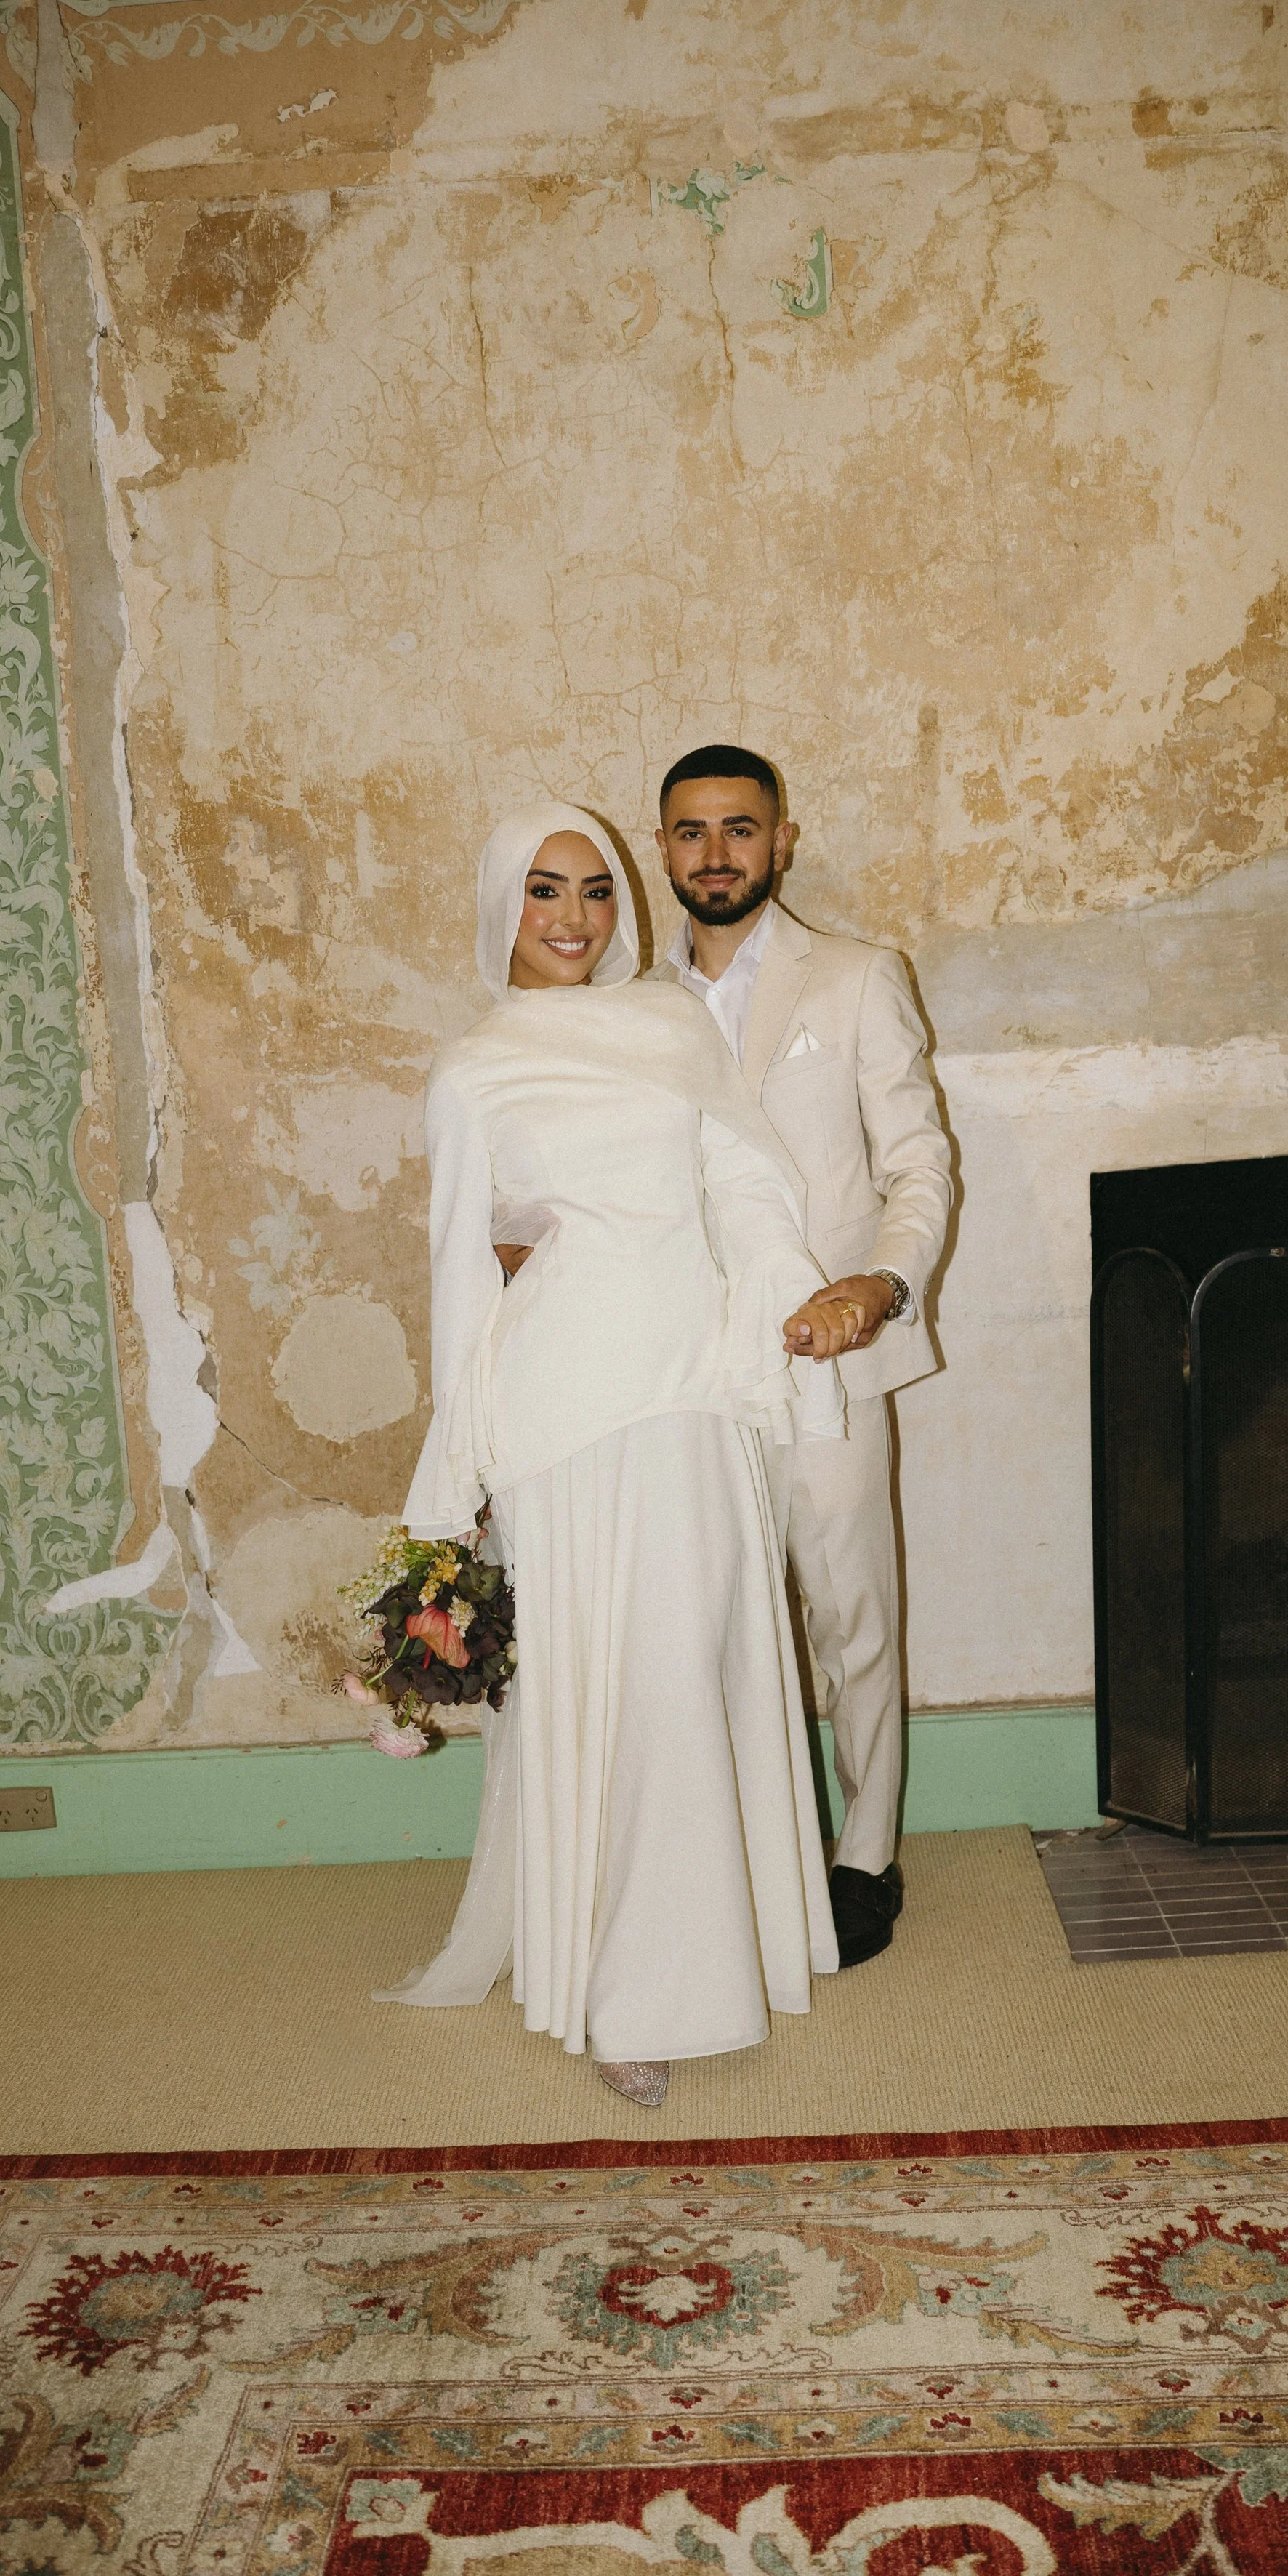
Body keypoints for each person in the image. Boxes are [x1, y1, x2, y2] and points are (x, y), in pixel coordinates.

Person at [377, 801, 850, 2104]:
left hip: (691, 1384)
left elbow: (745, 1185)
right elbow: (459, 1279)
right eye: (544, 890)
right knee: (616, 1683)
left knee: (688, 1663)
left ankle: (701, 1959)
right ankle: (626, 1997)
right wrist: (454, 1478)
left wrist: (792, 1302)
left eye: (594, 889)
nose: (574, 916)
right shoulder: (471, 1070)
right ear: (503, 907)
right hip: (561, 1406)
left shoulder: (669, 1023)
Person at [653, 744, 954, 1969]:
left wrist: (880, 1286)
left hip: (833, 1353)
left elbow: (919, 1163)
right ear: (662, 847)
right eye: (691, 830)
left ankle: (864, 1856)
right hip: (690, 1370)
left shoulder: (859, 977)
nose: (716, 852)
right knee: (714, 1623)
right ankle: (754, 1850)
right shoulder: (633, 1009)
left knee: (852, 1618)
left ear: (782, 840)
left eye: (741, 827)